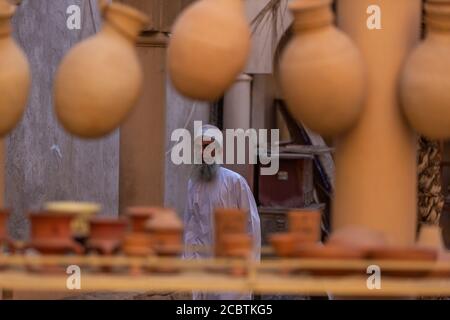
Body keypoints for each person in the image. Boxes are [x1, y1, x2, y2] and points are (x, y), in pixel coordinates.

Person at [183, 124, 261, 300]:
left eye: (208, 146)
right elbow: (191, 225)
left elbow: (252, 225)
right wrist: (188, 262)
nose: (204, 151)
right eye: (200, 147)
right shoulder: (193, 184)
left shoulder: (235, 182)